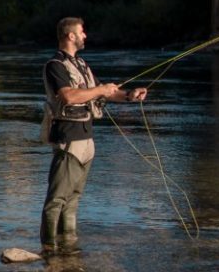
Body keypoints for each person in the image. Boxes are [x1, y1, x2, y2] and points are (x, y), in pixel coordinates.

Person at [39, 17, 147, 254]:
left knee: (73, 201)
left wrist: (129, 95)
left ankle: (67, 250)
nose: (85, 35)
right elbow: (69, 96)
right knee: (56, 201)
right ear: (70, 36)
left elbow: (107, 94)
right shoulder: (54, 65)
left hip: (87, 142)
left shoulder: (82, 64)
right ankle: (49, 251)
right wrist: (100, 89)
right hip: (68, 140)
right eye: (82, 32)